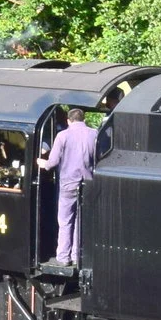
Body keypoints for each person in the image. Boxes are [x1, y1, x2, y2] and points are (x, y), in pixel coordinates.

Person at [37, 107, 99, 267]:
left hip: (68, 184)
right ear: (83, 119)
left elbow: (52, 162)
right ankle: (77, 256)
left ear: (68, 121)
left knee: (65, 220)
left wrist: (43, 163)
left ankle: (64, 257)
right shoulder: (94, 134)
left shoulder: (62, 135)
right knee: (80, 219)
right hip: (88, 183)